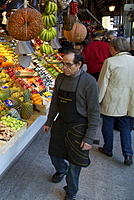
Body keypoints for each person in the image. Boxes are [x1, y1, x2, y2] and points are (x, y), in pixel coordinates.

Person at [43, 49, 100, 200]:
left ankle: (71, 190)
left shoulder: (89, 82)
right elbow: (55, 102)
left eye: (68, 65)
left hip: (79, 124)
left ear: (79, 64)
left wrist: (89, 137)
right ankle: (61, 169)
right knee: (54, 153)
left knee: (75, 162)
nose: (64, 68)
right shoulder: (60, 78)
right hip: (61, 121)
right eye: (63, 64)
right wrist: (49, 121)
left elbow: (94, 111)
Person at [97, 37, 134, 166]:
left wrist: (97, 100)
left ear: (116, 48)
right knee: (125, 126)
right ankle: (128, 153)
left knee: (107, 123)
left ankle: (107, 148)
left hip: (112, 98)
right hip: (129, 99)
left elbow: (102, 84)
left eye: (111, 48)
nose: (109, 50)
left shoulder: (110, 62)